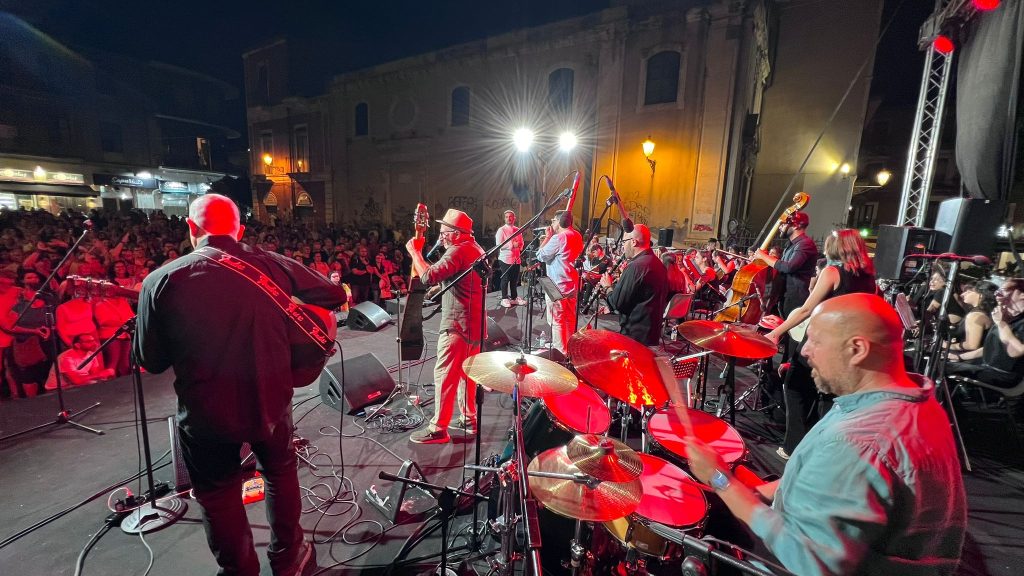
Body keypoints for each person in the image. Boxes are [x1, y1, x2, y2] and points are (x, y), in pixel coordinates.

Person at [135, 194, 346, 576]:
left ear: (190, 227)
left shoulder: (160, 280)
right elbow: (334, 295)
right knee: (280, 474)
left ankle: (240, 571)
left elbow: (151, 361)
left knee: (218, 494)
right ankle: (287, 558)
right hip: (270, 399)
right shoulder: (270, 263)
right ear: (240, 229)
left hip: (205, 412)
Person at [683, 293, 967, 576]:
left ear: (857, 349)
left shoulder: (856, 441)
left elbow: (810, 561)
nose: (804, 351)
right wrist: (758, 492)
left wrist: (720, 480)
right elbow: (829, 475)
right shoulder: (910, 399)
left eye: (815, 340)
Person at [765, 229, 877, 458]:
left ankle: (793, 447)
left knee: (795, 387)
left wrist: (776, 332)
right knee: (827, 396)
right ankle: (821, 447)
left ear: (835, 247)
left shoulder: (832, 272)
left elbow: (806, 309)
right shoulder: (868, 277)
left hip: (821, 341)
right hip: (846, 346)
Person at [404, 208, 485, 444]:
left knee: (445, 374)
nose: (441, 237)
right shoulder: (475, 248)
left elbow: (427, 276)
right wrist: (443, 287)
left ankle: (438, 428)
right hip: (474, 325)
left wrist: (415, 253)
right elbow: (464, 278)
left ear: (457, 234)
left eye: (444, 233)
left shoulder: (457, 251)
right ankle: (469, 418)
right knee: (466, 374)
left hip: (457, 325)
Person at [946, 278, 1024, 388]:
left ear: (1022, 295)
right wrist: (960, 357)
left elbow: (1015, 352)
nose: (999, 294)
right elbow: (989, 348)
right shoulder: (1008, 318)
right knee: (940, 365)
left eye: (1006, 290)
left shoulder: (1014, 322)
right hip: (986, 367)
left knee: (942, 369)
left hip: (1005, 376)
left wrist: (1001, 323)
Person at [600, 224, 668, 345]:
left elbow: (618, 304)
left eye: (624, 242)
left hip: (634, 336)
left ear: (633, 242)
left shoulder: (636, 267)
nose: (623, 247)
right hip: (651, 334)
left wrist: (607, 287)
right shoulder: (658, 264)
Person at [535, 210, 583, 354]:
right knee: (569, 319)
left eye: (553, 221)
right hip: (572, 284)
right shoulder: (577, 235)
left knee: (557, 321)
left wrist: (548, 237)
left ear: (559, 221)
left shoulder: (559, 238)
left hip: (557, 285)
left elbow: (540, 256)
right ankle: (569, 350)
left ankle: (560, 353)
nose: (552, 224)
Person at [44, 333, 115, 390]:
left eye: (94, 341)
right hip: (58, 389)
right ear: (77, 345)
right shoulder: (66, 358)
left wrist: (105, 375)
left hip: (77, 385)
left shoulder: (91, 354)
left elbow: (94, 374)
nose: (94, 344)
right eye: (89, 342)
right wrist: (100, 374)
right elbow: (76, 380)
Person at [947, 280, 997, 353]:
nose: (962, 294)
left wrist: (947, 345)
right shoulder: (984, 312)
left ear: (981, 295)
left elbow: (971, 345)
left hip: (966, 358)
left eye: (968, 292)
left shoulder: (975, 316)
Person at [495, 210, 525, 308]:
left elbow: (521, 242)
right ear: (505, 218)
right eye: (507, 217)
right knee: (505, 279)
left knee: (514, 280)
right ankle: (504, 298)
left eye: (511, 216)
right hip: (505, 259)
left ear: (514, 218)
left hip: (516, 258)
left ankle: (514, 298)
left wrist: (520, 245)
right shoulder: (501, 230)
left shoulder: (518, 229)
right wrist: (512, 245)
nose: (509, 218)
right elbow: (499, 245)